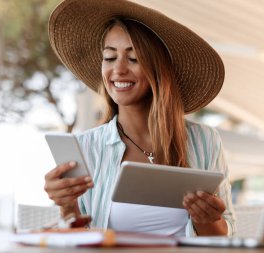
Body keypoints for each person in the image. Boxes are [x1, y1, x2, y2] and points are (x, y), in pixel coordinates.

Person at [44, 0, 236, 237]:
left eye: (133, 58)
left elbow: (224, 238)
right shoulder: (85, 148)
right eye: (110, 57)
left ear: (159, 69)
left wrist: (208, 219)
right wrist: (67, 207)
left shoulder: (204, 141)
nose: (119, 69)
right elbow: (76, 240)